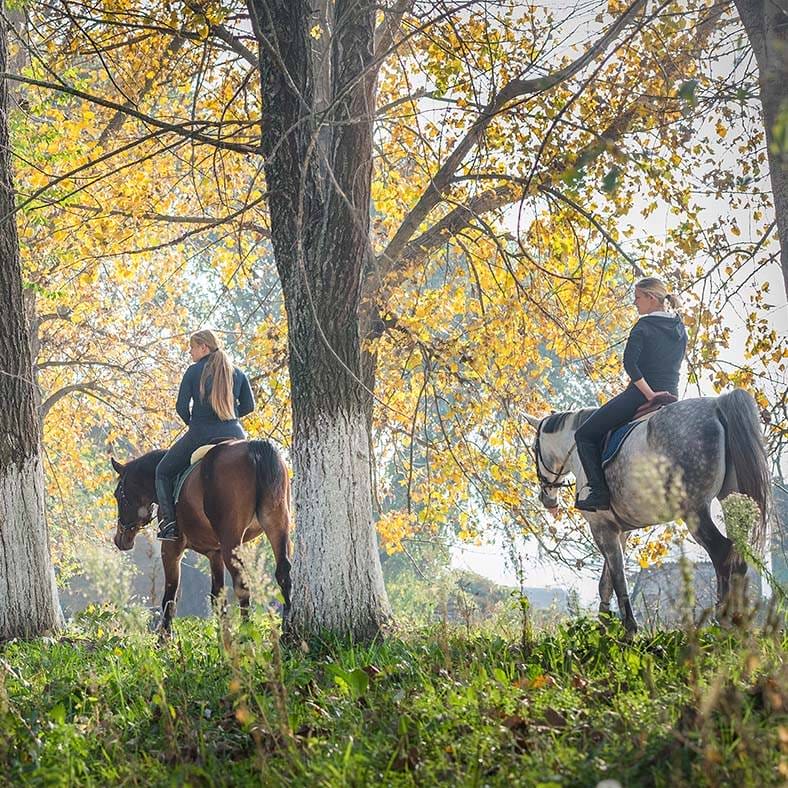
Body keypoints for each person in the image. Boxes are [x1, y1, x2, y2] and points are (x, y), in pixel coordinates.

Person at [574, 277, 687, 512]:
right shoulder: (679, 327)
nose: (635, 303)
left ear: (651, 298)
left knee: (584, 434)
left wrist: (650, 395)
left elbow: (630, 365)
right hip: (673, 396)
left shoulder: (644, 326)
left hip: (641, 395)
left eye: (637, 298)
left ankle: (599, 492)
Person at [155, 330, 255, 540]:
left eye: (192, 347)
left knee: (162, 471)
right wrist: (231, 417)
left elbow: (181, 407)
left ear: (204, 347)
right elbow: (249, 405)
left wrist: (194, 424)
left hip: (201, 434)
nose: (190, 352)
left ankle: (170, 526)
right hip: (235, 435)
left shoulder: (193, 371)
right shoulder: (238, 373)